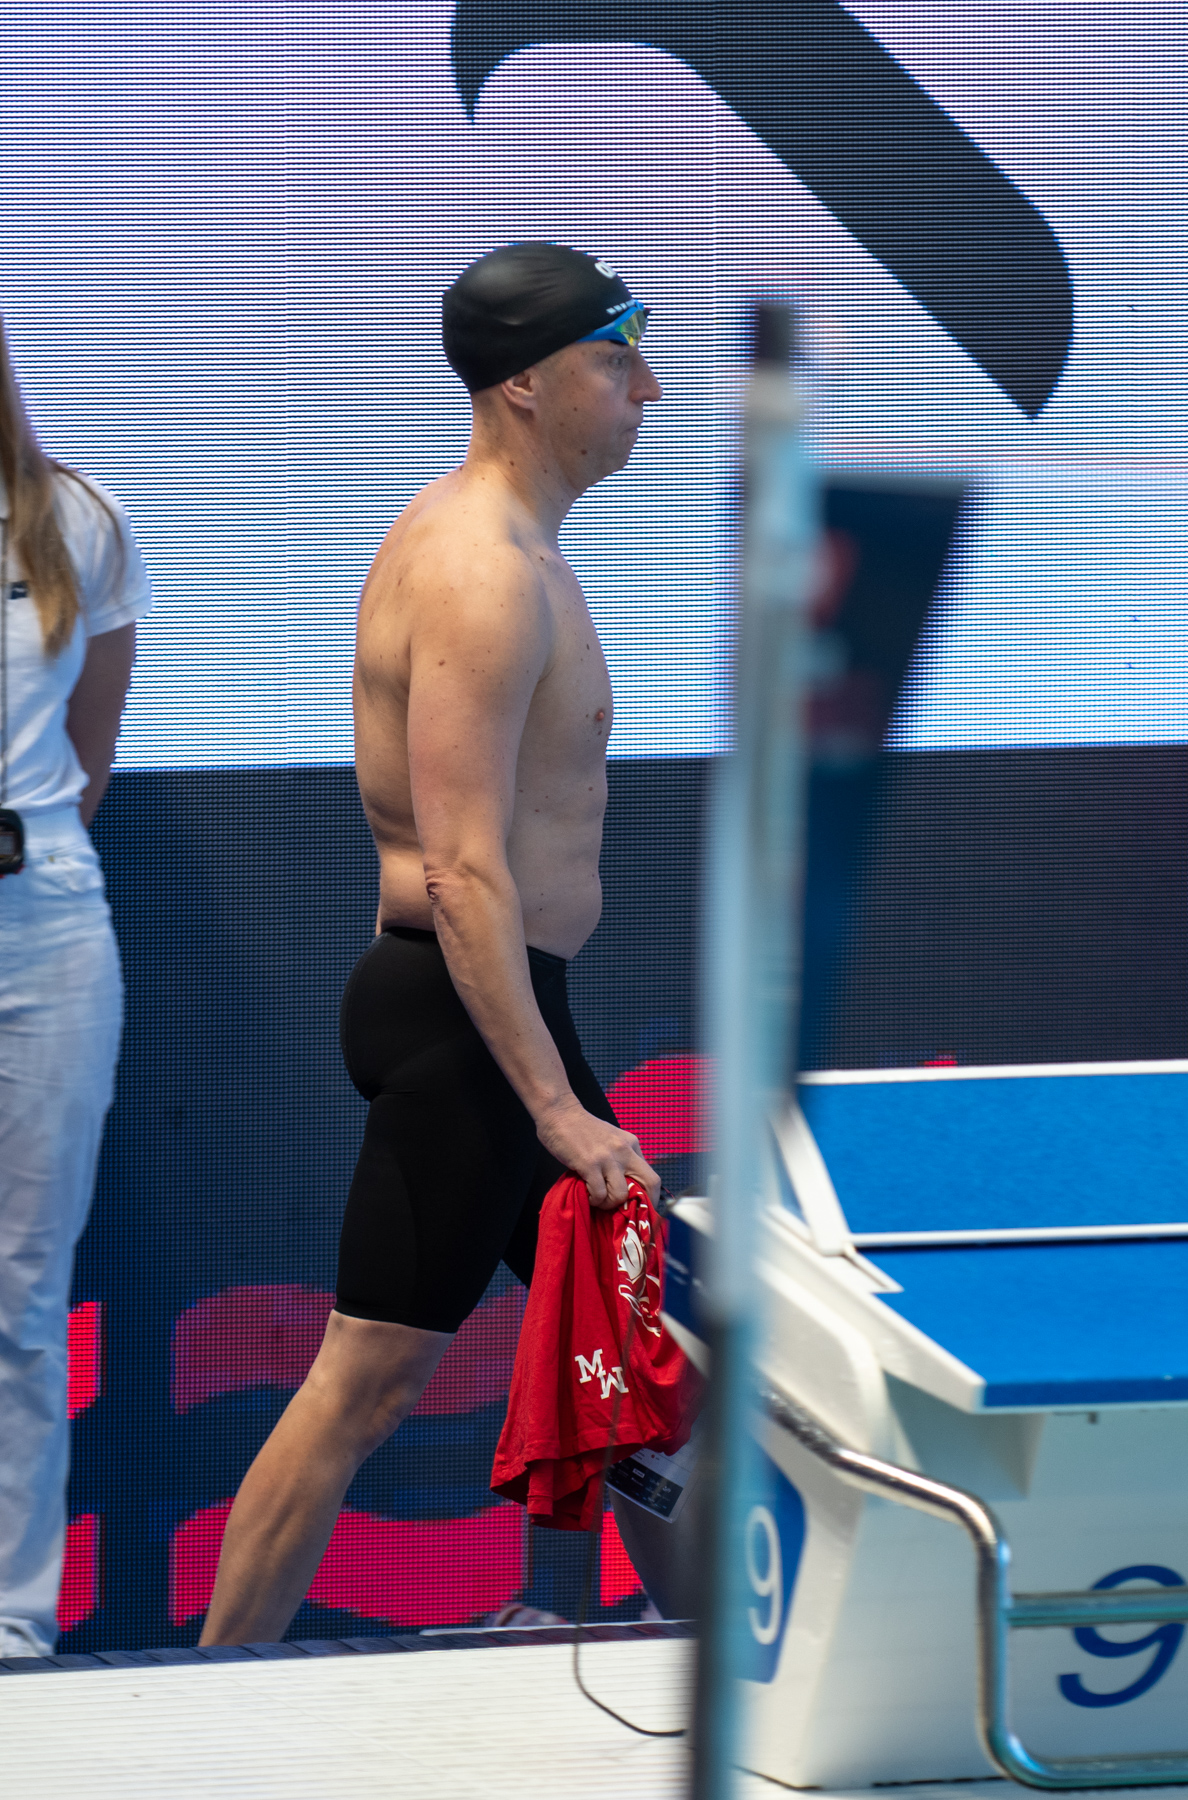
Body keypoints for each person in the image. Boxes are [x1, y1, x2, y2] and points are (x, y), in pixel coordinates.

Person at [200, 243, 665, 1644]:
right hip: (472, 1023)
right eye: (615, 357)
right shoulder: (479, 570)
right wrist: (553, 1109)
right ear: (525, 384)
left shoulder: (509, 544)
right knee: (367, 1381)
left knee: (647, 1351)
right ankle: (197, 1691)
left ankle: (731, 1667)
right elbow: (463, 870)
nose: (647, 387)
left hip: (487, 1008)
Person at [0, 319, 152, 1657]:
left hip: (41, 919)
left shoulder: (70, 521)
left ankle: (12, 1629)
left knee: (21, 1293)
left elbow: (87, 755)